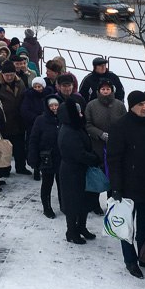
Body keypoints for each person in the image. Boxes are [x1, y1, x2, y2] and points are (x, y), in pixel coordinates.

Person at [107, 90, 145, 278]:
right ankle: (130, 260)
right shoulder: (120, 126)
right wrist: (115, 186)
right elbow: (114, 159)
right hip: (127, 186)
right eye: (140, 104)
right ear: (131, 106)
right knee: (127, 226)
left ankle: (144, 255)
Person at [57, 98, 101, 244]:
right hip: (72, 172)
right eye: (78, 112)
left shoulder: (75, 127)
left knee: (84, 201)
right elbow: (78, 153)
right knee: (73, 203)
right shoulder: (68, 131)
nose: (81, 114)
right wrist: (94, 159)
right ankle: (71, 231)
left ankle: (81, 227)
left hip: (80, 171)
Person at [28, 96, 61, 218]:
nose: (54, 108)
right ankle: (47, 207)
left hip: (61, 157)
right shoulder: (40, 120)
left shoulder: (63, 118)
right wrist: (33, 156)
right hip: (47, 157)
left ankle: (64, 205)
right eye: (51, 106)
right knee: (47, 183)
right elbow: (33, 139)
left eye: (56, 105)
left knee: (62, 183)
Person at [0, 60, 30, 175]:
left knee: (20, 147)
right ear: (2, 75)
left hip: (19, 121)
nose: (10, 77)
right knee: (6, 148)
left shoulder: (20, 83)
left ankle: (21, 167)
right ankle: (5, 169)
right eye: (7, 75)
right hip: (5, 121)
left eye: (12, 74)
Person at [85, 80, 127, 164]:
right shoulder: (91, 105)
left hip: (116, 144)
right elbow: (87, 124)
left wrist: (117, 135)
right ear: (99, 91)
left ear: (112, 90)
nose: (105, 91)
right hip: (98, 145)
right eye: (103, 89)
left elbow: (125, 123)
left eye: (108, 89)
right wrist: (100, 134)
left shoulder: (120, 105)